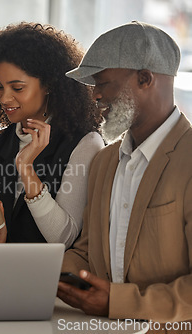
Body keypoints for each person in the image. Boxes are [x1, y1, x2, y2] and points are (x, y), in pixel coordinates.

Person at [57, 21, 192, 322]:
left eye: (102, 83)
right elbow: (89, 254)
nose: (94, 96)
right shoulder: (105, 161)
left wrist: (118, 303)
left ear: (145, 78)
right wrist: (26, 274)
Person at [0, 22, 104, 247]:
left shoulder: (85, 144)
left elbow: (63, 238)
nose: (4, 98)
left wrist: (26, 168)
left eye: (17, 88)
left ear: (49, 85)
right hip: (3, 275)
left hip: (55, 278)